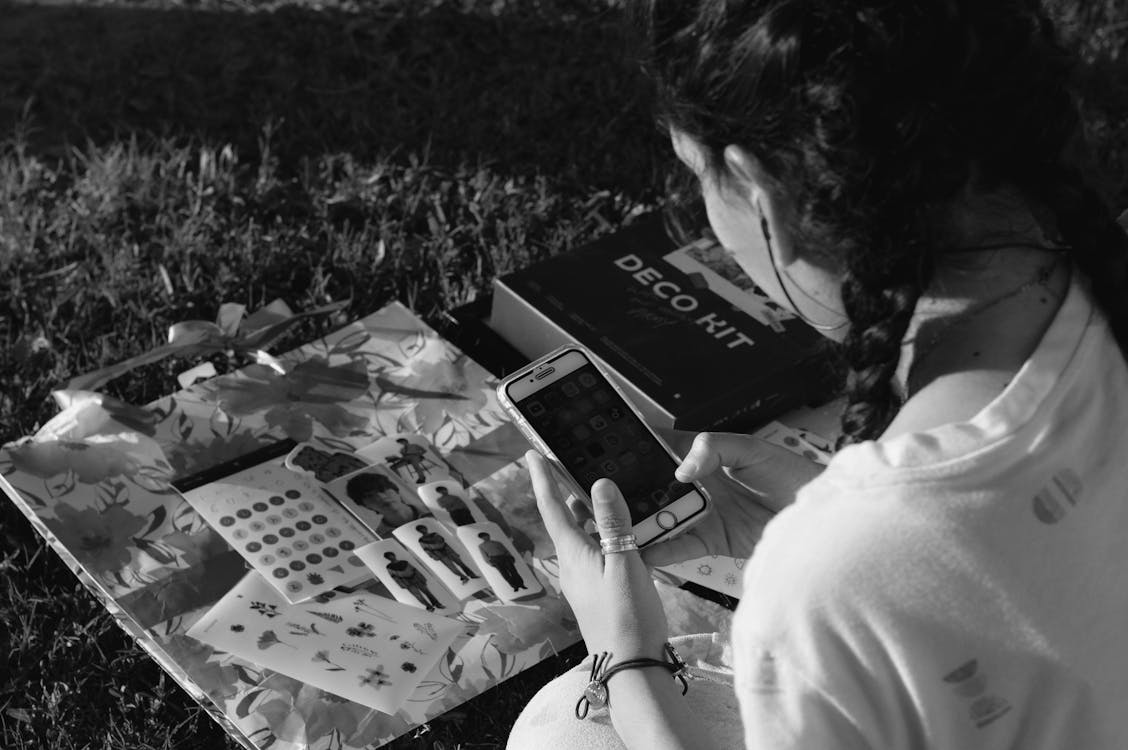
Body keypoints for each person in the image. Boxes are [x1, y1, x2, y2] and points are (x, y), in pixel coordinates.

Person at [508, 1, 1128, 749]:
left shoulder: (827, 581)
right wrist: (816, 519)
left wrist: (622, 654)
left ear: (764, 193)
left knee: (563, 729)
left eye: (693, 177)